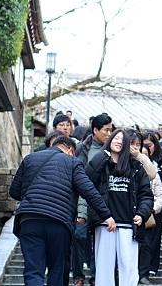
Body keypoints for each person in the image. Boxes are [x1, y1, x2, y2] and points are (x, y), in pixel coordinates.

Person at [10, 135, 115, 286]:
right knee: (56, 271)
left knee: (33, 271)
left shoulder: (30, 158)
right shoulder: (72, 161)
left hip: (29, 220)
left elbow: (14, 191)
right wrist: (106, 215)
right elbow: (88, 190)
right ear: (71, 150)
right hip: (58, 223)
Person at [87, 128, 153, 286]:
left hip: (128, 224)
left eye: (122, 140)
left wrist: (142, 214)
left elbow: (146, 195)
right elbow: (87, 179)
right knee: (103, 267)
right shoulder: (101, 162)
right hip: (104, 223)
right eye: (115, 138)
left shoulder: (135, 166)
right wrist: (102, 156)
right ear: (109, 140)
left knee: (129, 268)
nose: (118, 142)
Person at [73, 114, 113, 286]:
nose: (109, 133)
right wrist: (81, 209)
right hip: (83, 200)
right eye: (106, 130)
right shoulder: (83, 148)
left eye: (111, 130)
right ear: (95, 130)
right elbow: (80, 179)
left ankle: (95, 277)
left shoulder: (112, 150)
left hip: (103, 202)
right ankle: (78, 276)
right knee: (79, 236)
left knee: (100, 241)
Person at [130, 132, 162, 284]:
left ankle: (144, 274)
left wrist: (151, 209)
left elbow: (160, 194)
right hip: (127, 210)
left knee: (146, 244)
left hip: (147, 212)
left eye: (143, 153)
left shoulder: (151, 171)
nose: (137, 154)